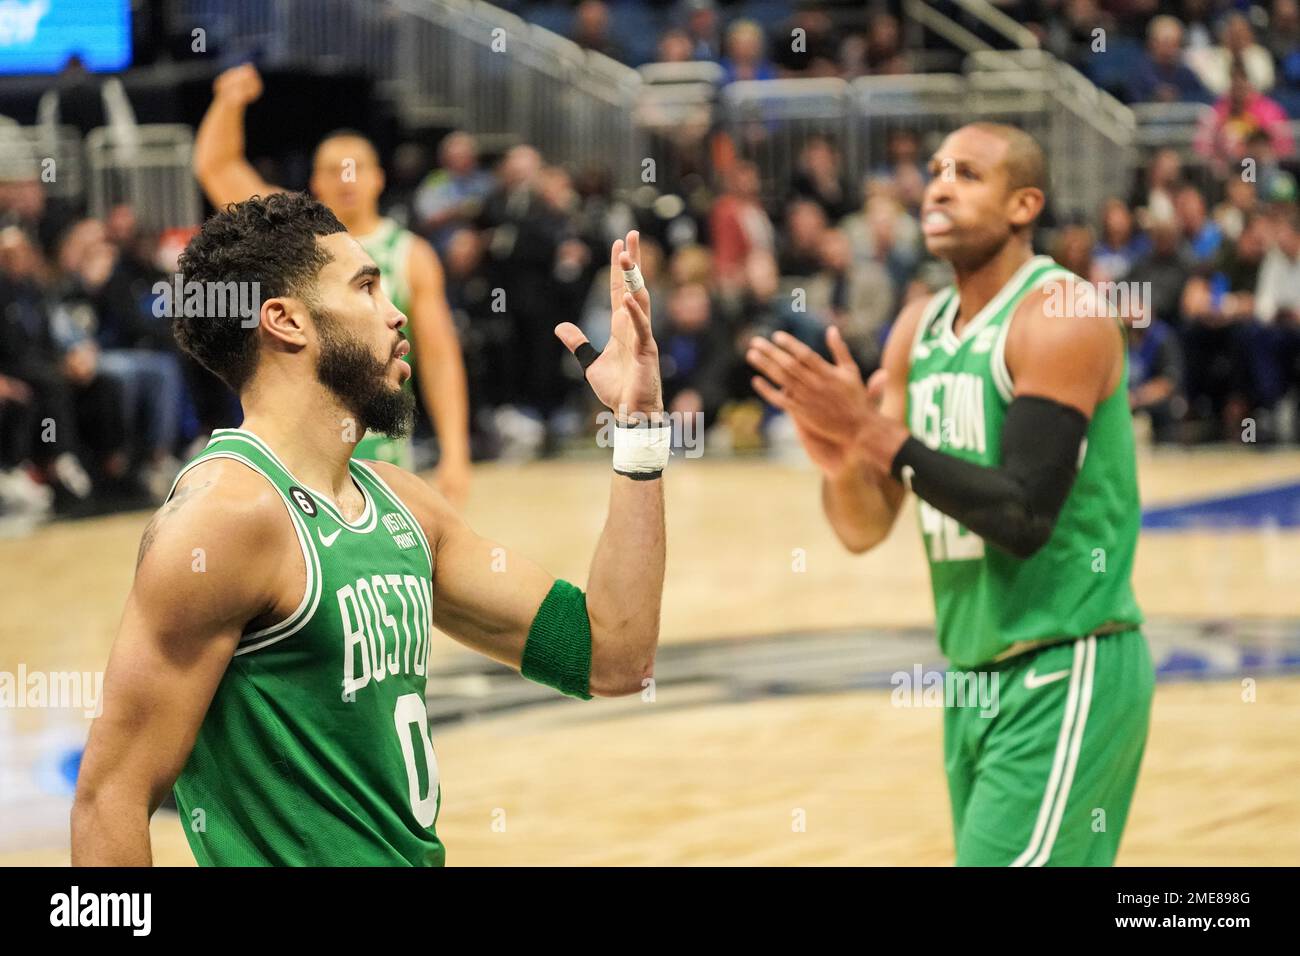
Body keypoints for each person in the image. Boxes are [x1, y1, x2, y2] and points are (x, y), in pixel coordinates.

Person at [70, 194, 667, 865]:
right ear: (286, 321)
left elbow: (613, 658)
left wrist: (639, 428)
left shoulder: (403, 507)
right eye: (366, 285)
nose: (396, 312)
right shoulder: (224, 521)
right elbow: (108, 798)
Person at [747, 123, 1153, 866]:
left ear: (1024, 204)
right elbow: (865, 528)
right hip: (971, 680)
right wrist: (840, 458)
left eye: (967, 174)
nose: (937, 186)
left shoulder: (1059, 317)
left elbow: (1022, 515)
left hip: (1067, 664)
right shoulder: (916, 329)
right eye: (934, 170)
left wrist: (867, 433)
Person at [192, 64, 472, 504]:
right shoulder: (295, 241)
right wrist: (229, 101)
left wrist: (456, 453)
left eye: (357, 168)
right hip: (298, 450)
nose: (346, 179)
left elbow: (438, 359)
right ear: (314, 183)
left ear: (378, 178)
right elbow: (218, 166)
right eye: (333, 170)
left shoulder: (410, 253)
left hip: (382, 454)